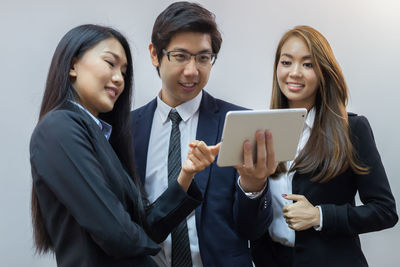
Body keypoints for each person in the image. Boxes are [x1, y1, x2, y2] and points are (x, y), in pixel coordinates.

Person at [30, 24, 220, 267]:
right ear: (72, 65)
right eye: (110, 63)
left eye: (124, 71)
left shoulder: (100, 136)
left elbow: (143, 229)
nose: (119, 78)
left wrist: (186, 174)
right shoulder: (59, 127)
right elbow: (116, 234)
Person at [130, 2, 276, 267]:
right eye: (181, 56)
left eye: (203, 58)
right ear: (154, 54)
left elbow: (253, 231)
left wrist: (254, 187)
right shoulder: (127, 130)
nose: (192, 71)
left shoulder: (239, 124)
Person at [250, 25, 398, 267]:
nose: (294, 73)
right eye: (286, 62)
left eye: (308, 64)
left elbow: (384, 211)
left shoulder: (352, 128)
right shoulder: (261, 130)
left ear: (324, 72)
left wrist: (321, 215)